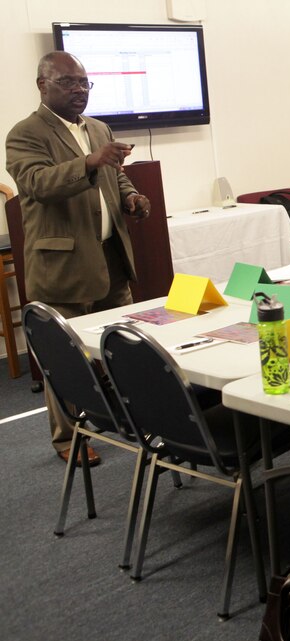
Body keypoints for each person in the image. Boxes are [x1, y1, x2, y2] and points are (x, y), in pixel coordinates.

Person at [6, 52, 151, 467]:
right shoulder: (26, 133)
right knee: (65, 355)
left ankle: (138, 420)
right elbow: (35, 184)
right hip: (62, 265)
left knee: (122, 344)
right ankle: (67, 437)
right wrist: (89, 161)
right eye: (68, 82)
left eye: (84, 83)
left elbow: (115, 174)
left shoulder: (99, 127)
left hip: (109, 255)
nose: (79, 90)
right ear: (42, 85)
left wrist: (130, 197)